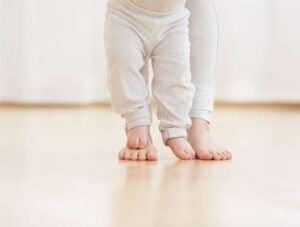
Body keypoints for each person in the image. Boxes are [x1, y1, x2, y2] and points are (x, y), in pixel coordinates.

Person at [104, 0, 232, 161]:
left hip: (173, 18)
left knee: (176, 74)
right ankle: (137, 125)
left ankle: (178, 129)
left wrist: (175, 127)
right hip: (126, 14)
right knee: (124, 64)